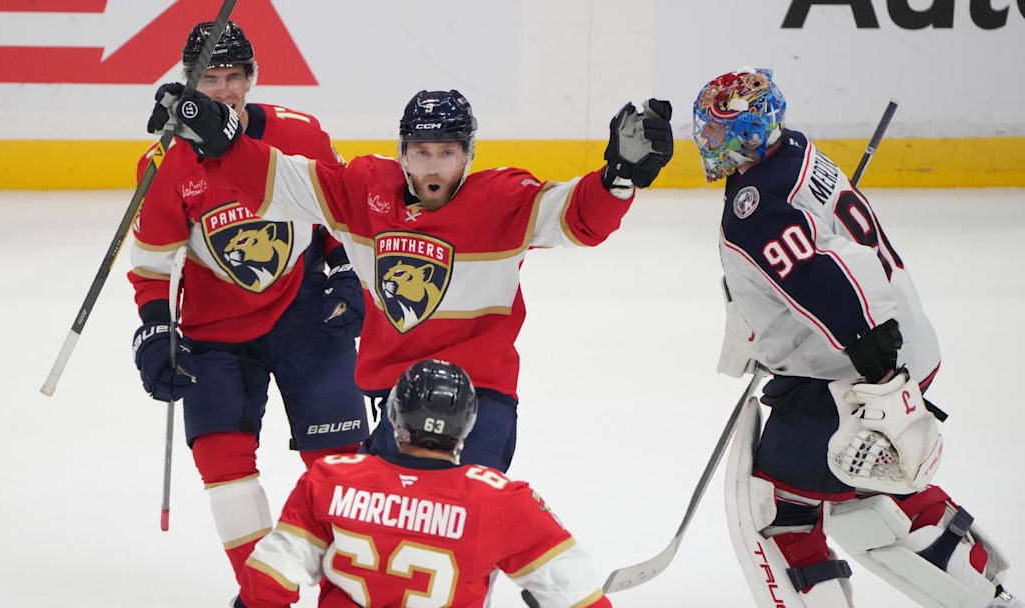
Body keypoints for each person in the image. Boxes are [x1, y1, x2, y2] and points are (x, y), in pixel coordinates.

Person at [142, 85, 674, 474]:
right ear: (402, 152)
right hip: (396, 399)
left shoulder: (504, 201)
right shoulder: (362, 192)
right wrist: (222, 140)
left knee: (462, 521)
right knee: (381, 533)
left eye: (448, 152)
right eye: (422, 152)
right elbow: (281, 179)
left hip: (480, 396)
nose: (434, 166)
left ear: (469, 154)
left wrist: (618, 178)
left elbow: (578, 218)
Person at [700, 68, 1022, 607]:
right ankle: (984, 583)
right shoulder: (796, 152)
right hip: (898, 344)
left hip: (858, 367)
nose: (706, 142)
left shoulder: (756, 209)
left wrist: (878, 373)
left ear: (748, 134)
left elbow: (821, 275)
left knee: (779, 506)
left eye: (714, 132)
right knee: (874, 484)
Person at [128, 21, 369, 587]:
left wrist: (345, 272)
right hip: (214, 333)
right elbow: (154, 266)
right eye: (208, 78)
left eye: (234, 76)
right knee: (222, 463)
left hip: (305, 316)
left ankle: (348, 591)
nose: (223, 90)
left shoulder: (300, 133)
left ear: (252, 78)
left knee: (342, 462)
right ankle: (266, 591)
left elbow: (340, 213)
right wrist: (156, 329)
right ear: (188, 82)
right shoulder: (164, 162)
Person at [231, 359, 612, 608]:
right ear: (467, 425)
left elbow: (266, 582)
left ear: (395, 417)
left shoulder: (329, 479)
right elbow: (579, 598)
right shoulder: (503, 500)